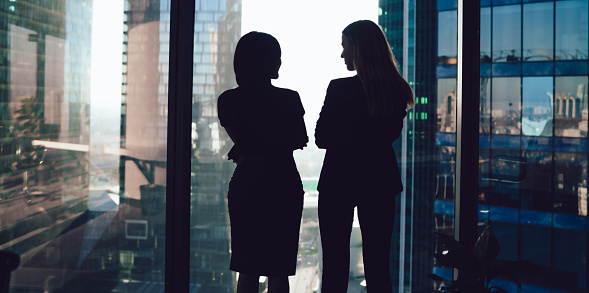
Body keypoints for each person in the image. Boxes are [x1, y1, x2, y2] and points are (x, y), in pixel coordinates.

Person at [315, 20, 414, 293]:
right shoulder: (396, 90)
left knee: (334, 265)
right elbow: (385, 136)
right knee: (378, 265)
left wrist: (343, 132)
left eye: (346, 47)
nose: (342, 54)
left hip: (337, 181)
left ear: (360, 49)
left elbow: (322, 138)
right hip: (379, 182)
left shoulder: (339, 88)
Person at [217, 31, 308, 293]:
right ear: (268, 61)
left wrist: (245, 146)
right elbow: (299, 139)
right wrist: (267, 141)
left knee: (248, 268)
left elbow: (246, 141)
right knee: (280, 269)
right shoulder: (290, 98)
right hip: (283, 183)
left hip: (248, 183)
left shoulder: (229, 100)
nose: (280, 63)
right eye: (277, 57)